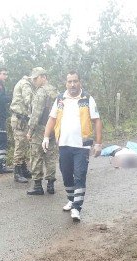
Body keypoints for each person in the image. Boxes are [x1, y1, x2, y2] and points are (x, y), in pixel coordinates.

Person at [42, 71, 102, 222]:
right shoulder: (60, 99)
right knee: (66, 174)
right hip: (63, 144)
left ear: (80, 82)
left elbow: (97, 121)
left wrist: (98, 143)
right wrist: (45, 137)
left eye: (75, 81)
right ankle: (71, 199)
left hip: (82, 146)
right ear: (66, 83)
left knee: (80, 175)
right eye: (70, 82)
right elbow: (52, 118)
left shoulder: (87, 98)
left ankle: (77, 207)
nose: (73, 84)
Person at [10, 67, 48, 183]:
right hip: (20, 119)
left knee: (25, 144)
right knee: (20, 144)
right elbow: (30, 101)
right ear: (39, 77)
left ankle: (23, 168)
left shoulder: (28, 84)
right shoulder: (26, 85)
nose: (45, 81)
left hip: (23, 119)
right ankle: (17, 171)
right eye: (43, 78)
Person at [26, 80, 58, 195]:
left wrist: (30, 130)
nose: (34, 81)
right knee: (50, 156)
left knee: (36, 156)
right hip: (53, 127)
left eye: (36, 79)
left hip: (40, 128)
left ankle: (38, 186)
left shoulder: (41, 92)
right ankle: (50, 185)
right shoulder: (54, 91)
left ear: (43, 77)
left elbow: (36, 113)